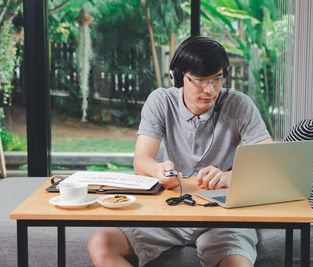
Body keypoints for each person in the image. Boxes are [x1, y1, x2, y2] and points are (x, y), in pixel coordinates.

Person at [88, 35, 272, 267]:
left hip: (222, 217)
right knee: (101, 243)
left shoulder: (240, 104)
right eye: (200, 80)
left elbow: (267, 164)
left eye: (217, 80)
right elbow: (142, 160)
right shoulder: (161, 101)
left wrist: (227, 176)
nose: (210, 90)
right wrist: (158, 169)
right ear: (178, 78)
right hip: (168, 212)